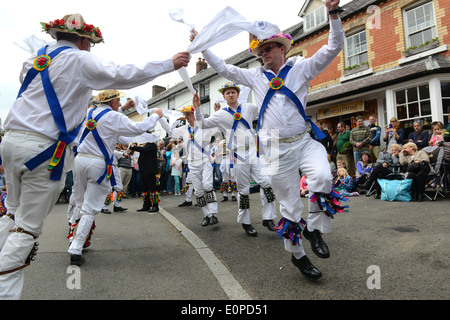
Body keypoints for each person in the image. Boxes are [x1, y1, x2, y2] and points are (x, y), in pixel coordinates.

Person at [0, 13, 189, 299]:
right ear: (84, 41)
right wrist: (168, 64)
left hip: (12, 143)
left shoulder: (35, 59)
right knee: (27, 227)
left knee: (11, 212)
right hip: (44, 151)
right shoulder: (80, 60)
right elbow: (124, 73)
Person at [192, 0, 345, 279]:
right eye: (260, 52)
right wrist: (204, 46)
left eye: (267, 49)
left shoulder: (301, 68)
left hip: (304, 140)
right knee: (289, 208)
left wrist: (332, 12)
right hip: (274, 147)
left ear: (281, 48)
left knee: (323, 177)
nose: (263, 55)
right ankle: (299, 258)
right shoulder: (254, 78)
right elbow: (225, 69)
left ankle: (313, 229)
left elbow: (333, 47)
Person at [67, 90, 164, 266]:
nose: (120, 104)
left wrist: (125, 108)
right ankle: (76, 248)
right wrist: (155, 116)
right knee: (89, 208)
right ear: (112, 102)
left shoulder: (88, 111)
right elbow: (137, 128)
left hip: (79, 160)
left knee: (79, 201)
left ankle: (73, 236)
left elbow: (114, 126)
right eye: (118, 101)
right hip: (97, 163)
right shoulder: (113, 117)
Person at [195, 82, 277, 236]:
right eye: (228, 93)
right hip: (238, 155)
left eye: (233, 92)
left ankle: (268, 218)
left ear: (238, 94)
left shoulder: (248, 107)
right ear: (224, 97)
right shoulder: (220, 114)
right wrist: (198, 109)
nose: (231, 94)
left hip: (254, 151)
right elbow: (202, 124)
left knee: (266, 183)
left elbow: (265, 108)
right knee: (243, 189)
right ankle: (246, 222)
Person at [159, 99, 219, 227]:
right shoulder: (184, 129)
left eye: (188, 114)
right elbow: (170, 132)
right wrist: (160, 118)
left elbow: (216, 125)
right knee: (198, 191)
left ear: (194, 113)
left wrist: (217, 112)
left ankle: (213, 214)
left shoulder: (204, 125)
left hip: (205, 161)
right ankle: (206, 215)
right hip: (192, 163)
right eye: (185, 114)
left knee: (207, 186)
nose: (186, 116)